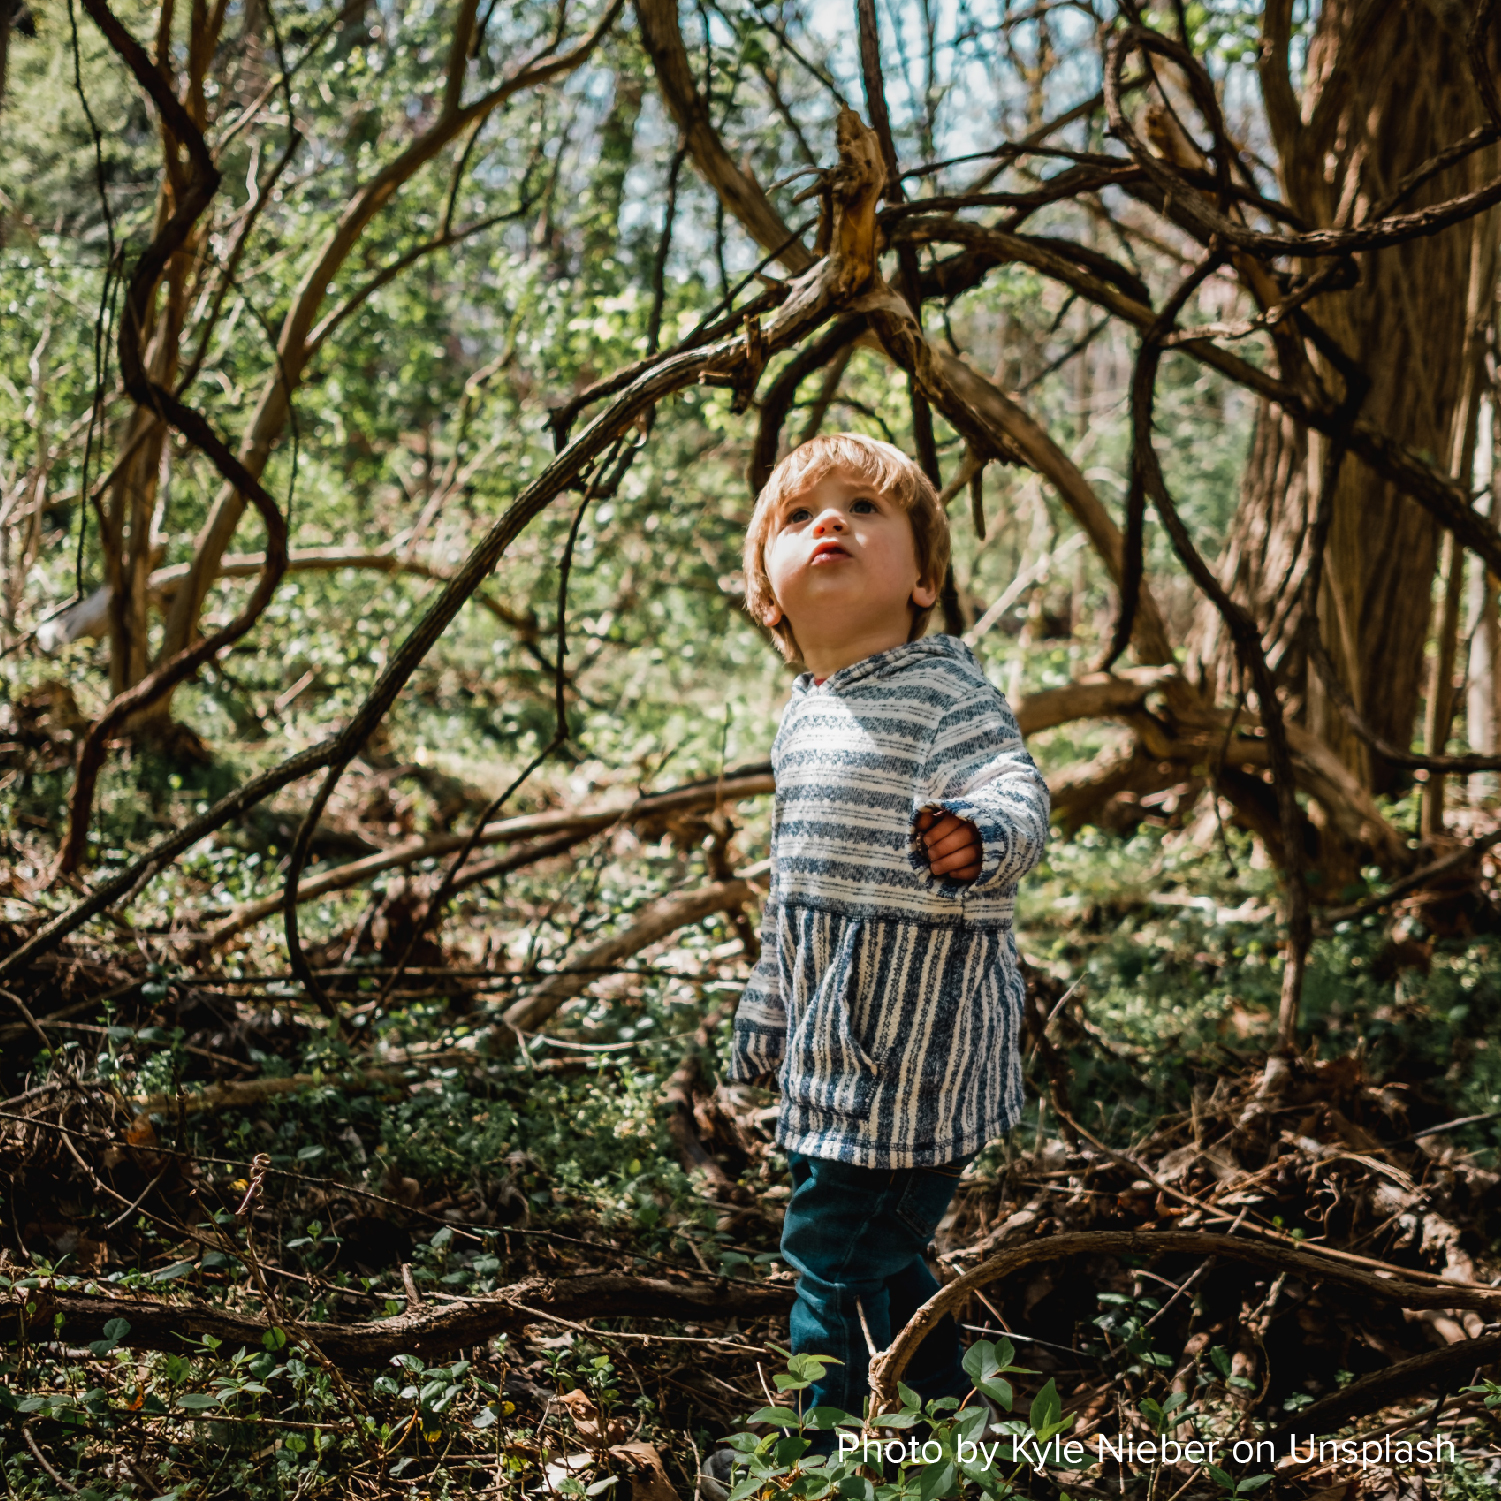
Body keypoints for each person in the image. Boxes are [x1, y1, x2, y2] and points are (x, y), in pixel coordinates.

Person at [729, 432, 1050, 1438]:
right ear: (768, 595)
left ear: (923, 581)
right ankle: (942, 1426)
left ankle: (814, 1452)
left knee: (830, 1251)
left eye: (864, 508)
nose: (830, 519)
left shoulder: (941, 690)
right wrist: (766, 1013)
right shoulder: (804, 714)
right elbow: (794, 899)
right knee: (879, 1253)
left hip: (916, 1063)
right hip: (833, 1063)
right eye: (799, 514)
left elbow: (1014, 784)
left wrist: (982, 833)